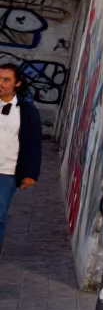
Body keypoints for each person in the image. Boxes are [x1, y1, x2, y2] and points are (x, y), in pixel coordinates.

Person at [0, 63, 41, 252]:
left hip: (6, 173)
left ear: (17, 83)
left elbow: (33, 144)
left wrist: (31, 173)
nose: (0, 83)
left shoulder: (27, 111)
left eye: (6, 80)